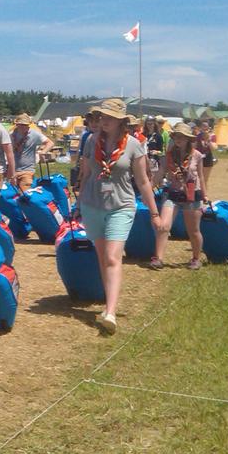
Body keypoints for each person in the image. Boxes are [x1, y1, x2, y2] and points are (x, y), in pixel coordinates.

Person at [77, 98, 161, 334]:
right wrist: (78, 202)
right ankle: (108, 304)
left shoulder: (134, 145)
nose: (103, 120)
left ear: (121, 121)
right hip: (92, 204)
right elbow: (85, 173)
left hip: (121, 206)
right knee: (103, 258)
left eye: (108, 117)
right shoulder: (90, 140)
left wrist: (154, 213)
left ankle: (111, 313)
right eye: (101, 116)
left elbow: (143, 181)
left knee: (114, 257)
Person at [152, 122, 207, 270]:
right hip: (172, 194)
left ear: (188, 139)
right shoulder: (167, 156)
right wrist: (149, 188)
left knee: (193, 230)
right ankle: (158, 258)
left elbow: (201, 177)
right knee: (163, 225)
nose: (179, 139)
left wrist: (204, 195)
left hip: (191, 194)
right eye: (176, 136)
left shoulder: (197, 155)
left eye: (182, 136)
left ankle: (196, 258)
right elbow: (160, 173)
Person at [11, 112, 54, 192]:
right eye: (21, 125)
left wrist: (43, 152)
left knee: (26, 194)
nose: (24, 127)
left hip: (28, 170)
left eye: (26, 125)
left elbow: (50, 143)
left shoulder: (34, 134)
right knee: (13, 195)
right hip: (13, 170)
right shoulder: (12, 134)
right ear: (17, 124)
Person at [196, 119, 216, 185]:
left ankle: (204, 195)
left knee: (205, 180)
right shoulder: (197, 136)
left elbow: (214, 148)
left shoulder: (212, 136)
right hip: (198, 158)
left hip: (208, 158)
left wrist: (208, 139)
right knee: (197, 179)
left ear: (209, 127)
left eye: (206, 126)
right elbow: (193, 147)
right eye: (203, 126)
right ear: (200, 127)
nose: (204, 127)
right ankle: (198, 194)